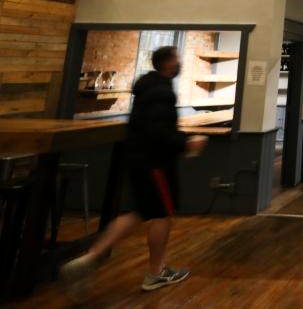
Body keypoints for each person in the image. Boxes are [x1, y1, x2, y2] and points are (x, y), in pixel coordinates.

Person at [61, 46, 208, 298]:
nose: (179, 63)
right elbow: (159, 131)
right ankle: (155, 271)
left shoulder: (146, 87)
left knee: (140, 211)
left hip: (138, 159)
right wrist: (186, 142)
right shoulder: (161, 92)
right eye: (177, 59)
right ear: (169, 63)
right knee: (162, 214)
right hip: (156, 164)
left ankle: (91, 257)